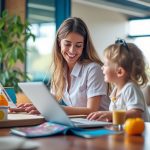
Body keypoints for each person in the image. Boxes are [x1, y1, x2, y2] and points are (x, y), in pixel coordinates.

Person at [11, 17, 110, 115]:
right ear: (59, 43)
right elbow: (51, 103)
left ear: (84, 46)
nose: (72, 50)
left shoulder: (93, 69)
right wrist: (34, 107)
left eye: (78, 45)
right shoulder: (59, 70)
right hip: (79, 124)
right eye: (67, 44)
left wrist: (54, 109)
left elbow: (92, 110)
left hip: (100, 127)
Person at [87, 39, 150, 122]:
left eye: (105, 64)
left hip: (138, 133)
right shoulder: (116, 90)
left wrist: (111, 115)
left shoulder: (130, 88)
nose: (102, 67)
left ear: (119, 72)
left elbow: (136, 113)